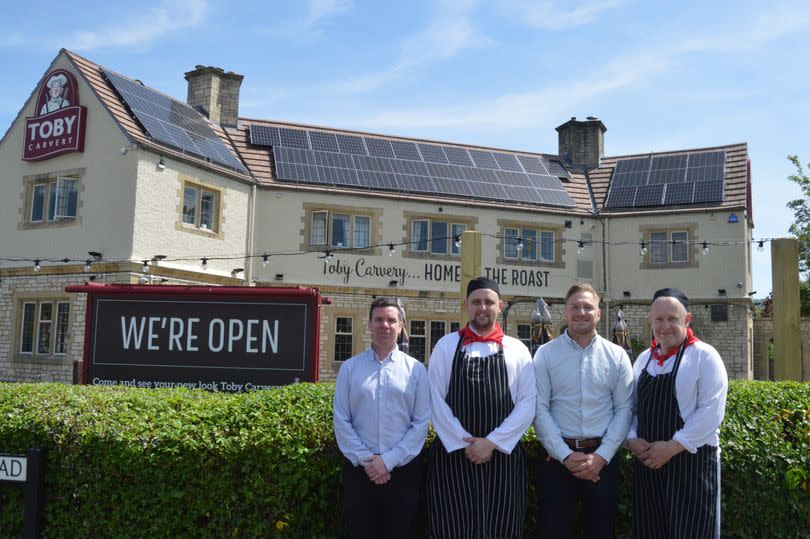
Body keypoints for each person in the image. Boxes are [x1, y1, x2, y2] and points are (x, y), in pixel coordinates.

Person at [427, 277, 536, 539]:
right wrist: (465, 443)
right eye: (476, 302)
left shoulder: (517, 349)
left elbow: (528, 403)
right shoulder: (446, 345)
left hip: (503, 460)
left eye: (489, 302)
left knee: (502, 528)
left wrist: (492, 442)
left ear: (500, 305)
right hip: (453, 458)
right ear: (465, 305)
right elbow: (434, 400)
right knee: (451, 527)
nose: (482, 308)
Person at [533, 283, 634, 539]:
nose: (581, 312)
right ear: (565, 313)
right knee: (553, 531)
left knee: (600, 531)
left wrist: (601, 457)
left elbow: (624, 409)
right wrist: (564, 455)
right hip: (556, 459)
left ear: (598, 313)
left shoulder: (617, 356)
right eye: (575, 307)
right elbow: (539, 408)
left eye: (588, 307)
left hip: (602, 460)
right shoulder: (545, 355)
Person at [626, 288, 728, 539]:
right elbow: (631, 408)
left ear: (687, 319)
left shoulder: (705, 356)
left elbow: (711, 413)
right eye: (659, 319)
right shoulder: (643, 360)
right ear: (651, 321)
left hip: (691, 464)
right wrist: (630, 439)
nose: (665, 325)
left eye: (672, 318)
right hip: (648, 463)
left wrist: (671, 447)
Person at [333, 296, 430, 539]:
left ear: (400, 326)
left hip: (403, 471)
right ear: (369, 325)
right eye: (378, 319)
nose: (384, 325)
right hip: (360, 472)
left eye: (391, 320)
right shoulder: (349, 368)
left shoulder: (416, 370)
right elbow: (342, 420)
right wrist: (369, 461)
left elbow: (421, 423)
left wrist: (387, 461)